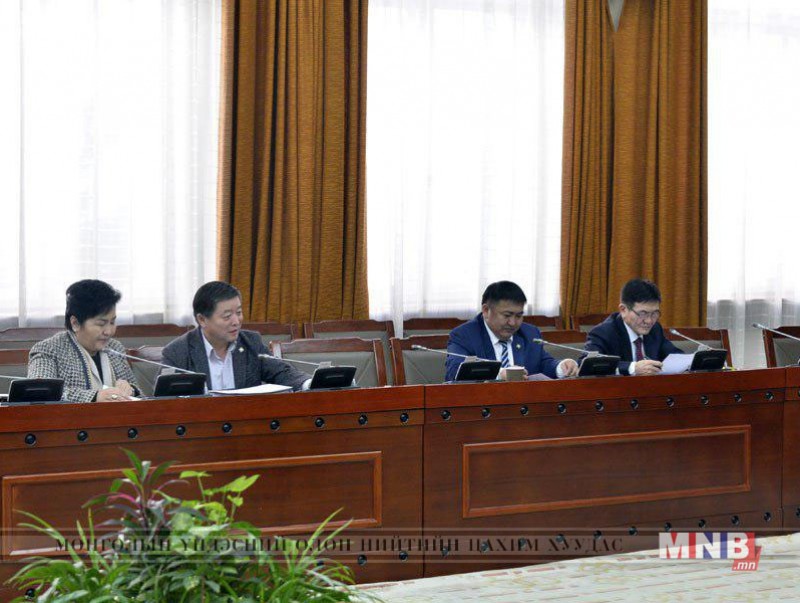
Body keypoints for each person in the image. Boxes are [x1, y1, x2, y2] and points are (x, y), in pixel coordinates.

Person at [161, 281, 310, 391]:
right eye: (227, 316)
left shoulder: (251, 342)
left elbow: (282, 372)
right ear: (202, 320)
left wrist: (308, 383)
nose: (236, 321)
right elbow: (165, 401)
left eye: (238, 313)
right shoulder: (178, 352)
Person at [28, 280, 140, 402]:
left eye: (112, 322)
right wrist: (94, 397)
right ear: (75, 323)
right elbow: (41, 393)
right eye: (101, 324)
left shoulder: (115, 347)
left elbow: (141, 395)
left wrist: (131, 390)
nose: (108, 331)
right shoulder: (48, 350)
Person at [445, 281, 579, 381]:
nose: (513, 323)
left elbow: (543, 363)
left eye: (519, 316)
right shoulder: (464, 335)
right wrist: (499, 374)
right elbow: (455, 370)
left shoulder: (530, 333)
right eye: (507, 315)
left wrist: (561, 367)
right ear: (486, 310)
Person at [584, 278, 682, 376]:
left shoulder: (655, 329)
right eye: (643, 313)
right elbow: (590, 364)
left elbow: (675, 356)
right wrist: (632, 368)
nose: (649, 321)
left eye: (654, 313)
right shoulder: (603, 333)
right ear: (623, 310)